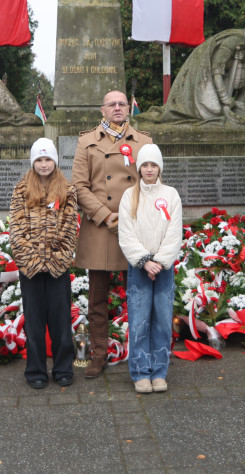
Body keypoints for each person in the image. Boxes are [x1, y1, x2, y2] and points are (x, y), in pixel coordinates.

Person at [72, 90, 153, 379]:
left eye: (122, 103)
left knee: (139, 295)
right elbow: (79, 187)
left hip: (135, 228)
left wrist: (131, 216)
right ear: (102, 110)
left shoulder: (144, 141)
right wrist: (107, 216)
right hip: (100, 227)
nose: (118, 108)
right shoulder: (87, 142)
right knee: (97, 298)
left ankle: (142, 353)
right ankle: (97, 354)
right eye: (112, 104)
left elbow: (153, 183)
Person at [8, 138, 79, 389]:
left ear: (55, 161)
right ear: (33, 162)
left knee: (60, 320)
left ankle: (62, 367)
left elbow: (70, 226)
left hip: (58, 266)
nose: (44, 164)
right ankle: (35, 369)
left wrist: (57, 257)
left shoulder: (67, 190)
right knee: (35, 321)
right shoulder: (21, 189)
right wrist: (33, 259)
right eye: (39, 159)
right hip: (31, 268)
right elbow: (16, 229)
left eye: (48, 159)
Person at [117, 144, 183, 393]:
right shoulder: (129, 196)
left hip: (163, 268)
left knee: (163, 321)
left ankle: (159, 372)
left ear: (159, 168)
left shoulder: (171, 195)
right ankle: (140, 372)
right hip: (140, 267)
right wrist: (145, 261)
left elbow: (174, 232)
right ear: (138, 168)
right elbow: (126, 234)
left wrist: (162, 261)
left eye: (153, 164)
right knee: (140, 320)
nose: (149, 169)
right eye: (145, 164)